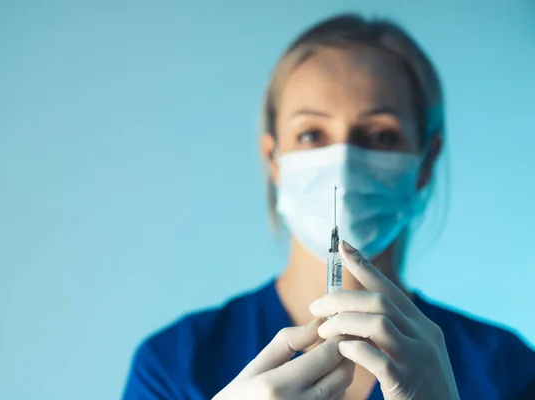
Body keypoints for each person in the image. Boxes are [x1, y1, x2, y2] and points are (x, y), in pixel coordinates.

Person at [123, 13, 535, 400]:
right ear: (274, 160)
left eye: (380, 135)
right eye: (311, 134)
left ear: (426, 163)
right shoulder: (176, 364)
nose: (342, 161)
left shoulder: (506, 368)